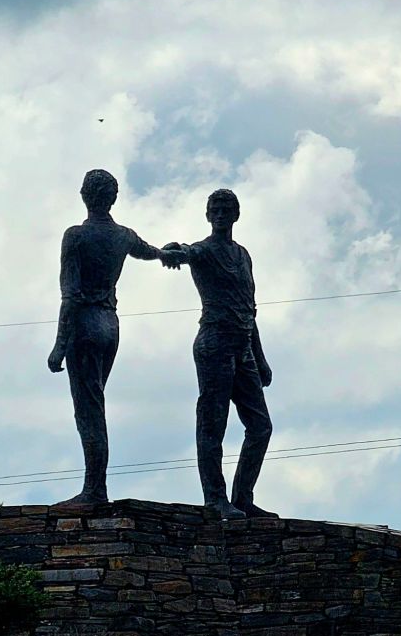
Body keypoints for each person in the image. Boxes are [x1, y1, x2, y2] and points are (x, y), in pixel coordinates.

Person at [48, 169, 180, 505]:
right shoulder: (123, 235)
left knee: (89, 411)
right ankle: (95, 486)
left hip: (85, 326)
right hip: (110, 326)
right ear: (113, 198)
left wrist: (59, 346)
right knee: (95, 404)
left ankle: (95, 489)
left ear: (84, 195)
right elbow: (148, 251)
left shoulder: (76, 236)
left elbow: (70, 295)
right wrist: (166, 254)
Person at [163, 189, 278, 520]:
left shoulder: (243, 255)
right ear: (207, 214)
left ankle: (242, 498)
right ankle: (215, 498)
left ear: (237, 214)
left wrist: (260, 357)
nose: (220, 213)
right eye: (215, 208)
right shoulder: (204, 250)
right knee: (213, 424)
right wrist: (172, 250)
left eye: (227, 208)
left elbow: (249, 309)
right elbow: (186, 251)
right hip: (214, 344)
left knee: (261, 426)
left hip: (243, 348)